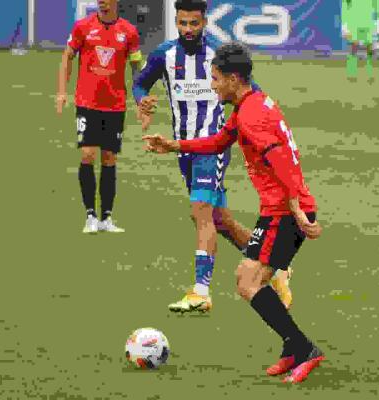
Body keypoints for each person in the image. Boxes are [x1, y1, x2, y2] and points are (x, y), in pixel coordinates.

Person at [142, 42, 325, 383]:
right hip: (282, 208)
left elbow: (280, 160)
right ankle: (292, 347)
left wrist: (298, 210)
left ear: (233, 78)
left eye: (215, 79)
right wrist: (174, 145)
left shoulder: (251, 114)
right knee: (252, 280)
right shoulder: (250, 106)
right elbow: (217, 142)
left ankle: (304, 349)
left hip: (285, 211)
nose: (212, 85)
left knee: (248, 281)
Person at [133, 0, 292, 313]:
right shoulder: (164, 54)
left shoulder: (220, 55)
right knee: (219, 220)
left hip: (213, 148)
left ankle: (201, 292)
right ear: (175, 22)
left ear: (205, 22)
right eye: (182, 23)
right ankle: (278, 268)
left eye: (194, 23)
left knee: (201, 211)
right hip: (184, 150)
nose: (188, 30)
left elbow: (250, 93)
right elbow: (140, 83)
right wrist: (143, 100)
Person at [56, 0, 142, 233]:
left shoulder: (129, 32)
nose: (102, 1)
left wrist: (140, 99)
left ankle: (106, 217)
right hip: (87, 103)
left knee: (109, 158)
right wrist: (62, 92)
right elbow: (67, 56)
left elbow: (136, 68)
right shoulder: (82, 27)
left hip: (115, 105)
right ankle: (90, 215)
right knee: (87, 154)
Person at [341, 0, 379, 82]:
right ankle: (352, 74)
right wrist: (344, 26)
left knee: (369, 49)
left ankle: (370, 74)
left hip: (368, 24)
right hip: (353, 24)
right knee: (354, 48)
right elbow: (345, 7)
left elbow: (378, 6)